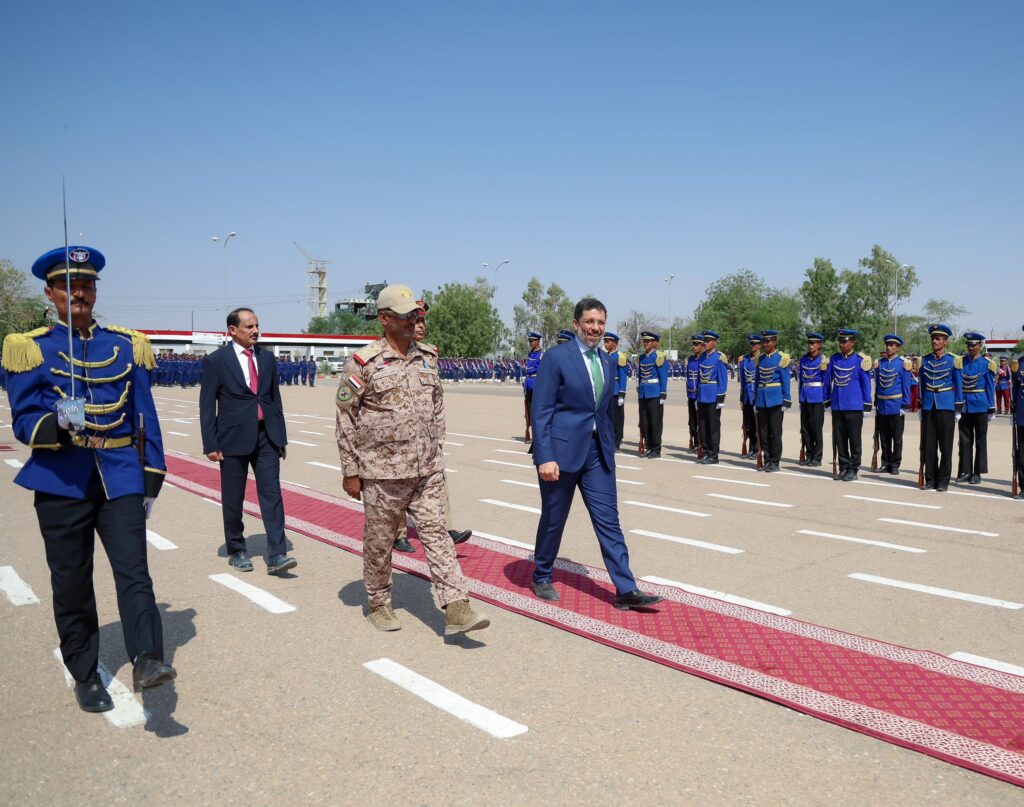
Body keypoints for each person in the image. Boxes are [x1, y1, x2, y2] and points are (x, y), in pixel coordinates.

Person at [2, 246, 175, 713]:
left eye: (86, 285)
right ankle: (84, 673)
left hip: (119, 477)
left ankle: (148, 659)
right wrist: (56, 422)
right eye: (68, 285)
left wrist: (151, 476)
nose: (78, 292)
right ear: (51, 291)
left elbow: (145, 416)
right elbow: (22, 420)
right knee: (72, 580)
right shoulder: (29, 347)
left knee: (134, 573)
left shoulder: (125, 344)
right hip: (62, 479)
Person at [335, 284, 488, 634]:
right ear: (385, 319)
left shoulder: (428, 357)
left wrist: (437, 449)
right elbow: (346, 416)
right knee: (380, 541)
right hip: (382, 474)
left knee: (437, 535)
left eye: (415, 315)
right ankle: (378, 602)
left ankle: (456, 606)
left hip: (426, 471)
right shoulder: (365, 362)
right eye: (404, 316)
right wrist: (351, 471)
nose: (412, 321)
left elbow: (437, 407)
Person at [529, 298, 662, 611]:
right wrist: (544, 455)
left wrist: (610, 449)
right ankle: (542, 573)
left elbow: (602, 412)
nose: (595, 328)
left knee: (609, 521)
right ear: (577, 324)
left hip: (596, 455)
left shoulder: (606, 360)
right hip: (560, 454)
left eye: (600, 323)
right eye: (589, 322)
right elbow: (542, 409)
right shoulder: (557, 357)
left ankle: (626, 589)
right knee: (554, 518)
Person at [200, 308, 296, 575]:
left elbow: (274, 399)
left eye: (256, 325)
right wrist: (211, 443)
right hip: (231, 439)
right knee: (234, 497)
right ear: (232, 330)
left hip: (266, 436)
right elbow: (207, 405)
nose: (255, 330)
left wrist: (281, 437)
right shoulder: (217, 361)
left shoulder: (266, 358)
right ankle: (237, 549)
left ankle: (277, 553)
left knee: (272, 494)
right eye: (249, 327)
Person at [394, 301, 472, 553]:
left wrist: (439, 435)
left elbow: (436, 398)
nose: (420, 326)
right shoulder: (384, 355)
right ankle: (398, 534)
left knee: (439, 483)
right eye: (415, 321)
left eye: (423, 321)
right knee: (399, 488)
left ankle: (446, 528)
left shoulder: (429, 355)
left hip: (427, 438)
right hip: (396, 439)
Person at [916, 323, 963, 492]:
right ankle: (930, 479)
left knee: (945, 446)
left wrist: (958, 408)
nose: (935, 341)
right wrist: (921, 405)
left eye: (938, 338)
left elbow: (958, 385)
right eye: (933, 338)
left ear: (946, 342)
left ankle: (943, 480)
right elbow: (922, 383)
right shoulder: (925, 360)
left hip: (946, 405)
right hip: (929, 404)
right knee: (929, 445)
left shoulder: (953, 360)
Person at [826, 328, 872, 481]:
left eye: (845, 341)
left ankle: (853, 468)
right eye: (840, 341)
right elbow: (828, 381)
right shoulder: (834, 359)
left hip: (854, 406)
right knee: (839, 439)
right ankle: (843, 467)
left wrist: (867, 404)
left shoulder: (860, 360)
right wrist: (827, 401)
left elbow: (866, 384)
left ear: (852, 343)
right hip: (838, 405)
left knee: (854, 439)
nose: (841, 344)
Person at [955, 332, 997, 485]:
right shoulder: (961, 362)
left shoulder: (987, 364)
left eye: (974, 345)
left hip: (980, 405)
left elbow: (990, 386)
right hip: (965, 405)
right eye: (969, 345)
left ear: (980, 346)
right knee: (964, 440)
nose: (971, 347)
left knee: (980, 441)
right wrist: (958, 406)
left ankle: (977, 472)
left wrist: (991, 408)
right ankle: (966, 471)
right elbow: (958, 385)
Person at [873, 335, 913, 475]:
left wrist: (905, 405)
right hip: (883, 405)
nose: (889, 347)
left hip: (896, 405)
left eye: (892, 345)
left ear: (898, 348)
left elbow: (906, 386)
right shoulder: (880, 363)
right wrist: (876, 401)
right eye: (888, 345)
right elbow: (878, 384)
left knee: (896, 438)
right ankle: (885, 462)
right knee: (884, 437)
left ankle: (895, 464)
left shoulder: (903, 364)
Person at [753, 330, 791, 471]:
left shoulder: (782, 358)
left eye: (768, 341)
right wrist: (755, 401)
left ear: (774, 342)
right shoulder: (760, 359)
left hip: (775, 400)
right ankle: (767, 459)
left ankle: (775, 462)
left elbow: (785, 381)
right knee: (763, 432)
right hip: (762, 400)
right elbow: (757, 382)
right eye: (763, 341)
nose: (765, 344)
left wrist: (786, 399)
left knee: (775, 432)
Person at [696, 329, 729, 464]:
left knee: (713, 427)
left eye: (708, 341)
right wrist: (698, 397)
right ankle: (706, 451)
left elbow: (723, 379)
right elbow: (699, 378)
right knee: (703, 426)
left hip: (713, 396)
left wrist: (721, 398)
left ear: (714, 342)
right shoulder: (702, 357)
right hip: (703, 395)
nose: (706, 343)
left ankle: (713, 455)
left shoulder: (719, 357)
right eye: (704, 341)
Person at [798, 332, 829, 467]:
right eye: (809, 343)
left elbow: (826, 381)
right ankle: (809, 454)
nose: (810, 346)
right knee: (805, 429)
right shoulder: (804, 359)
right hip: (805, 396)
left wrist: (826, 398)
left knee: (816, 428)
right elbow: (801, 380)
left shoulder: (823, 360)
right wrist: (800, 397)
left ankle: (817, 457)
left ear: (819, 345)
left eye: (813, 343)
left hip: (817, 397)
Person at [636, 330, 668, 458]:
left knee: (655, 421)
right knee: (645, 422)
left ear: (654, 343)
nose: (645, 343)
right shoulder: (642, 357)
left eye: (648, 341)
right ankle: (648, 446)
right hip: (643, 393)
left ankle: (656, 448)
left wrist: (663, 393)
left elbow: (663, 376)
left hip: (655, 393)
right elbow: (640, 376)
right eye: (644, 341)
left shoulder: (659, 357)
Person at [602, 331, 628, 450]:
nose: (606, 343)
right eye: (605, 341)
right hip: (606, 392)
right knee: (607, 418)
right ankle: (609, 440)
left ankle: (617, 442)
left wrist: (622, 393)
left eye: (608, 342)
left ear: (615, 343)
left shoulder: (619, 357)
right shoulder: (605, 356)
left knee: (617, 419)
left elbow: (623, 376)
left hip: (616, 391)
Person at [737, 334, 761, 460]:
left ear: (760, 345)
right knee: (749, 424)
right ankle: (751, 448)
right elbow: (742, 380)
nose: (753, 346)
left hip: (756, 395)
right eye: (751, 344)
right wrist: (741, 397)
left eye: (755, 344)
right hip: (746, 395)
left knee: (758, 424)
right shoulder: (744, 359)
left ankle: (757, 448)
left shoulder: (761, 358)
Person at [523, 332, 543, 442]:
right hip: (528, 384)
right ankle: (529, 433)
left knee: (536, 411)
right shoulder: (530, 354)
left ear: (538, 341)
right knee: (529, 411)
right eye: (529, 341)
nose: (530, 343)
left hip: (536, 384)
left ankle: (537, 436)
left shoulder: (541, 354)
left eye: (532, 341)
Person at [685, 335, 704, 454]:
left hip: (700, 395)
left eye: (696, 344)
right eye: (693, 344)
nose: (694, 347)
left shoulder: (704, 359)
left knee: (700, 420)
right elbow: (688, 377)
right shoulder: (691, 359)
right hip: (691, 395)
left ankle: (701, 442)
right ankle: (695, 442)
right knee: (692, 421)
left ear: (702, 346)